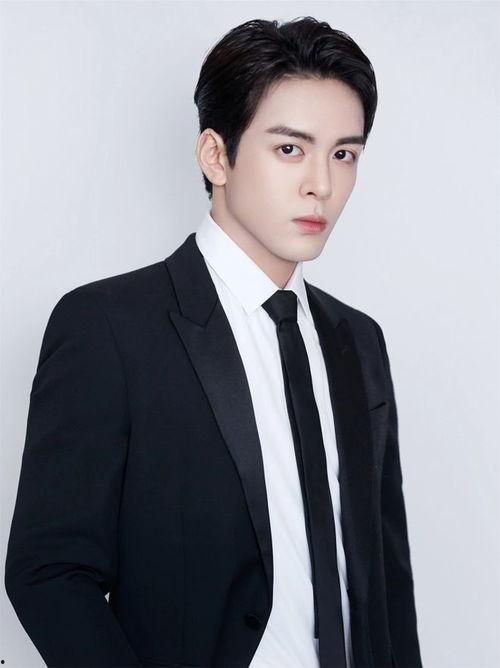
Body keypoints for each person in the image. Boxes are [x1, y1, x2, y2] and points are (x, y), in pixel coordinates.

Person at [4, 16, 423, 668]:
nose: (322, 183)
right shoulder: (109, 327)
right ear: (215, 156)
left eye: (343, 154)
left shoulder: (358, 340)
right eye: (291, 149)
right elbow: (49, 573)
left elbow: (386, 583)